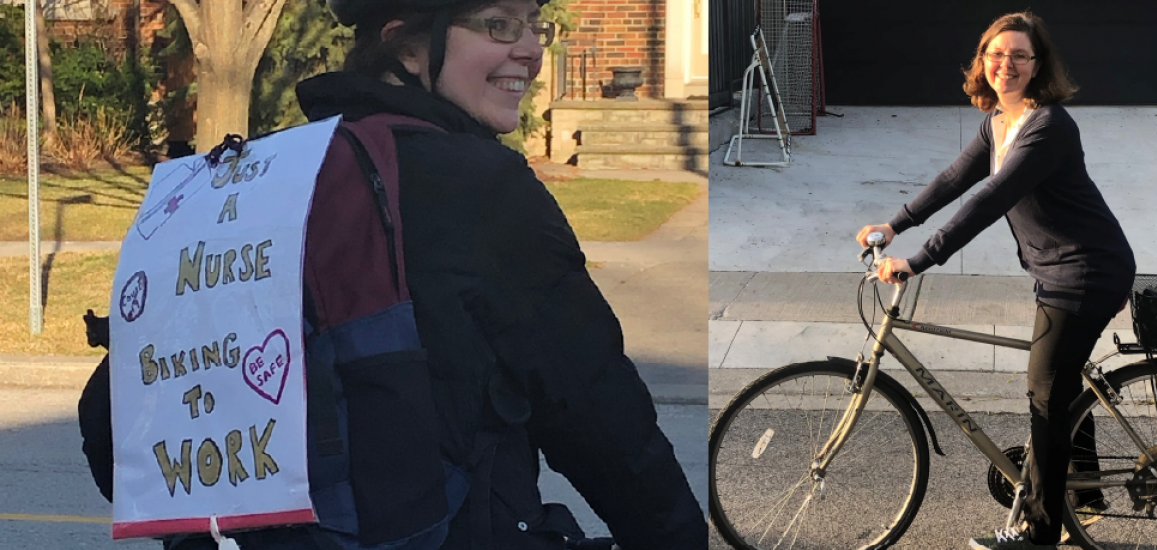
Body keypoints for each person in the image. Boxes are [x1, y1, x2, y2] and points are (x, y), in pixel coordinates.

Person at [78, 0, 703, 548]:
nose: (532, 49)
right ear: (407, 45)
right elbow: (598, 412)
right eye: (499, 24)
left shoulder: (269, 174)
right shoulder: (479, 185)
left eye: (535, 25)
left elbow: (120, 421)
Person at [855, 11, 1135, 550]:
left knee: (1044, 393)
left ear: (1037, 66)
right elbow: (955, 180)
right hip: (1056, 268)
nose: (1006, 64)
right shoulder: (998, 121)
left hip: (1086, 269)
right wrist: (895, 224)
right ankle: (1085, 496)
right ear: (982, 60)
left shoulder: (1049, 126)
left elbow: (988, 201)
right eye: (996, 54)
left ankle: (1037, 531)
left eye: (1019, 56)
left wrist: (919, 259)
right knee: (1060, 383)